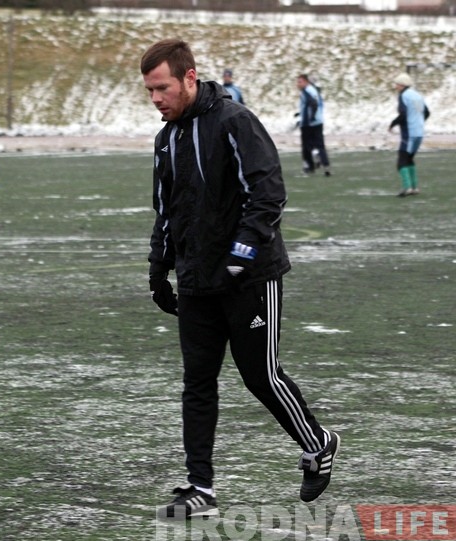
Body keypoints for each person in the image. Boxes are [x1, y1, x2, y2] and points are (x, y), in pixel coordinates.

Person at [140, 39, 340, 520]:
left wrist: (242, 254)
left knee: (260, 376)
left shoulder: (234, 121)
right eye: (148, 91)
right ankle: (200, 488)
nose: (155, 99)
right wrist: (158, 267)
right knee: (197, 382)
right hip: (196, 281)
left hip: (251, 278)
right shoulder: (166, 138)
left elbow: (268, 192)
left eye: (162, 87)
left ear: (190, 77)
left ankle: (319, 444)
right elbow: (166, 211)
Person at [389, 72, 430, 197]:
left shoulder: (403, 96)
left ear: (401, 85)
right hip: (419, 132)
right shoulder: (417, 95)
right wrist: (419, 122)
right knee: (409, 159)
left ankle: (407, 188)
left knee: (401, 161)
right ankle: (414, 187)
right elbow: (427, 112)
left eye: (396, 84)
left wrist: (393, 123)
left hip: (409, 133)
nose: (395, 87)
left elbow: (404, 114)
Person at [296, 74, 331, 176]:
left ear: (306, 82)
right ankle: (325, 165)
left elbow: (313, 104)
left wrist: (310, 118)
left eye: (300, 82)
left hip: (309, 123)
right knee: (319, 144)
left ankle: (309, 166)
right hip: (318, 121)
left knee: (306, 146)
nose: (297, 84)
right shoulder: (314, 90)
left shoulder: (307, 91)